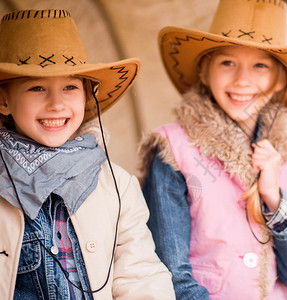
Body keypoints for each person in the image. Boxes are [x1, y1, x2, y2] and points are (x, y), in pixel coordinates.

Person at [137, 0, 287, 299]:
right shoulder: (173, 149)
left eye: (260, 65)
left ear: (280, 79)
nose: (242, 80)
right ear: (204, 71)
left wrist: (274, 198)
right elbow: (169, 272)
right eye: (227, 62)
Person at [0, 9, 175, 299]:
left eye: (70, 86)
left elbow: (141, 277)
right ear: (4, 100)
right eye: (37, 87)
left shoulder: (117, 186)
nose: (56, 104)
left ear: (86, 95)